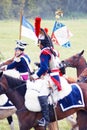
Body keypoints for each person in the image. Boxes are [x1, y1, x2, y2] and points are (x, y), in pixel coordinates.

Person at [30, 28, 63, 127]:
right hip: (54, 74)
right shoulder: (51, 50)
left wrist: (35, 76)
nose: (38, 45)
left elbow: (44, 68)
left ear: (42, 43)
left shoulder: (44, 52)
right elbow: (47, 64)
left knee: (41, 95)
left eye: (38, 43)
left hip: (52, 77)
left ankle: (46, 119)